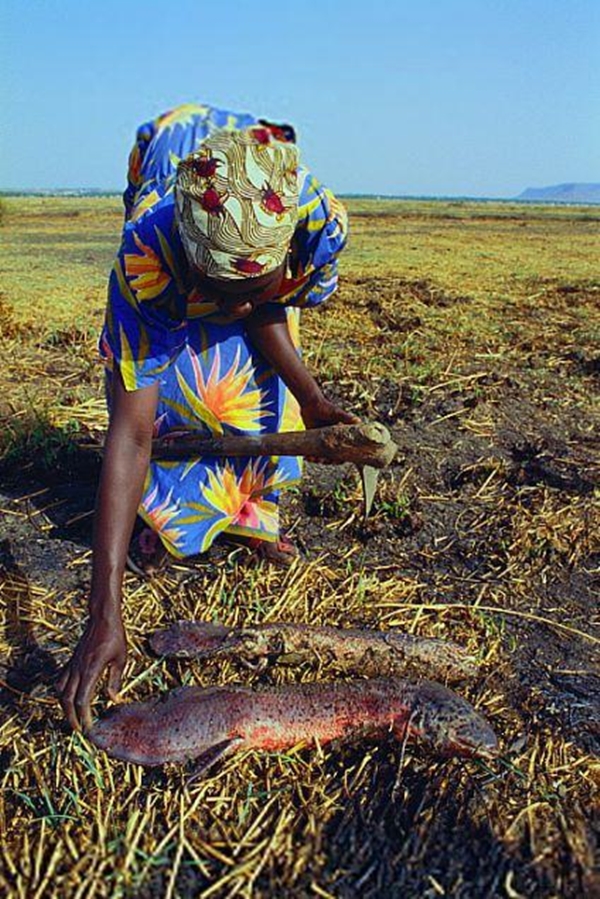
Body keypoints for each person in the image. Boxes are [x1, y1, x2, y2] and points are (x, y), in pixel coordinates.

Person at [58, 102, 358, 731]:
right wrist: (103, 610)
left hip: (246, 189)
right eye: (217, 289)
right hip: (170, 175)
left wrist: (312, 400)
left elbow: (266, 308)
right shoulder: (147, 255)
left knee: (247, 382)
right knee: (184, 389)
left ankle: (248, 515)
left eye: (249, 285)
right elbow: (132, 431)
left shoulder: (315, 224)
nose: (234, 305)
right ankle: (167, 524)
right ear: (192, 262)